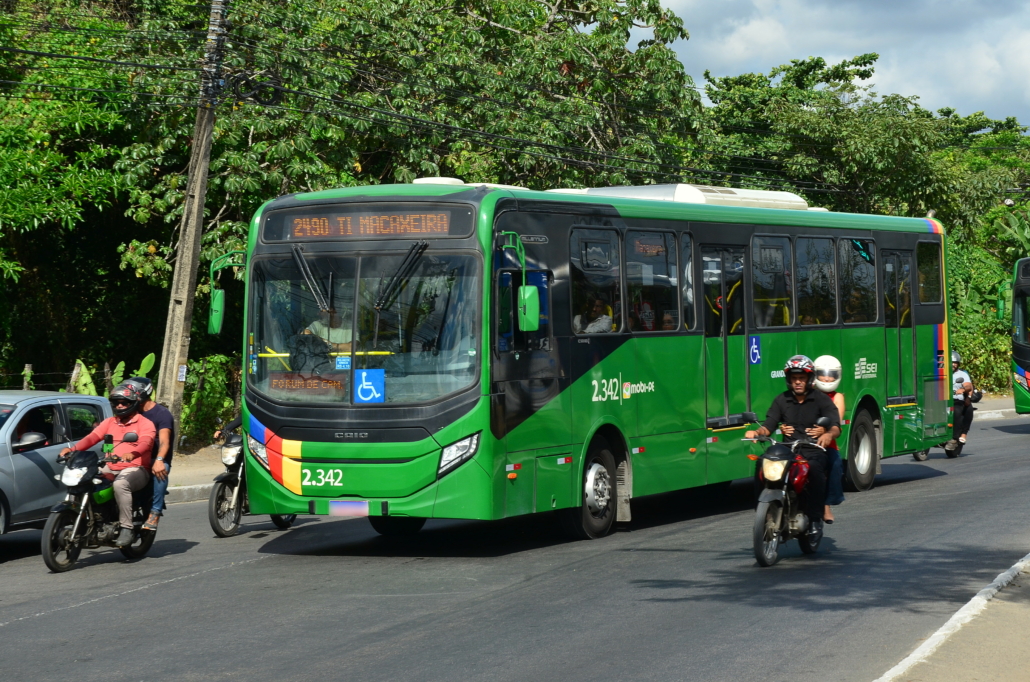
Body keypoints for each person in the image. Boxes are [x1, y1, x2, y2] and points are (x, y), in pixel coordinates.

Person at [745, 355, 841, 535]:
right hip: (787, 449)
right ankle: (762, 510)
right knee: (762, 462)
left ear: (809, 379)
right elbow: (769, 425)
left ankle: (815, 518)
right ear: (789, 379)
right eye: (794, 378)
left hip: (813, 449)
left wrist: (828, 434)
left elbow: (835, 426)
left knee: (815, 468)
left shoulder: (821, 399)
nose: (798, 382)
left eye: (801, 378)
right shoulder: (781, 399)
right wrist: (757, 433)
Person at [59, 383, 155, 547]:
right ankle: (86, 518)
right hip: (110, 465)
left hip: (136, 468)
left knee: (120, 485)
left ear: (133, 403)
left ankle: (126, 528)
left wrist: (133, 453)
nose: (119, 406)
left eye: (124, 403)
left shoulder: (145, 423)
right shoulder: (110, 422)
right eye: (116, 403)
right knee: (82, 479)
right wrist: (72, 450)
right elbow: (92, 438)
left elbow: (146, 443)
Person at [126, 377, 174, 531]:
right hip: (135, 456)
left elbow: (165, 442)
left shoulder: (162, 414)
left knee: (161, 471)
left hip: (154, 458)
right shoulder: (131, 412)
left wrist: (159, 459)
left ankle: (155, 512)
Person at [813, 355, 846, 524]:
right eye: (822, 374)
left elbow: (836, 422)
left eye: (831, 375)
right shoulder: (809, 393)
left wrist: (825, 431)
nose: (826, 378)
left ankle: (827, 504)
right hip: (803, 440)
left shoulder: (837, 397)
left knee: (835, 463)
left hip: (827, 443)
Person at [949, 350, 974, 452]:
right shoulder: (941, 373)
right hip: (941, 400)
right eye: (951, 362)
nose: (953, 365)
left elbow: (968, 386)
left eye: (955, 363)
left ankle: (956, 438)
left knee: (958, 412)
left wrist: (963, 390)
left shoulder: (962, 374)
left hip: (956, 400)